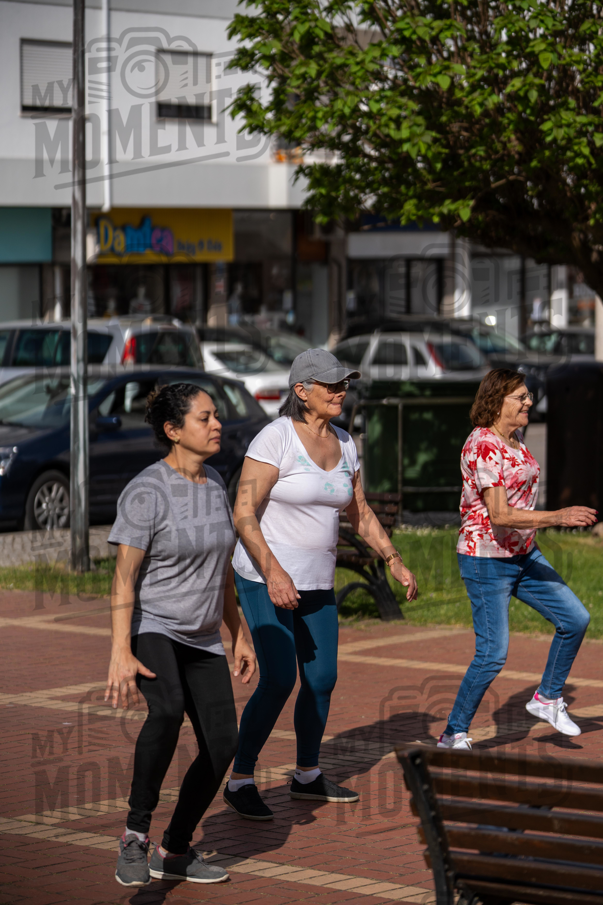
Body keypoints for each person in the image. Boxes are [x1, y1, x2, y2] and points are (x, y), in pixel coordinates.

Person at [224, 349, 418, 819]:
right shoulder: (275, 440)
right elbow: (243, 512)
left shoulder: (346, 444)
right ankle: (240, 779)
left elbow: (360, 511)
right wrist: (272, 570)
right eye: (330, 384)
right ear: (301, 391)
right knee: (278, 680)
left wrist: (392, 558)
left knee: (322, 679)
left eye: (344, 383)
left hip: (315, 583)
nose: (340, 391)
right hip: (262, 576)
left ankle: (307, 775)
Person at [105, 383, 256, 886]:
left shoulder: (215, 481)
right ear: (173, 431)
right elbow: (124, 577)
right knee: (166, 711)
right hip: (156, 626)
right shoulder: (146, 491)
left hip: (203, 634)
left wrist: (240, 634)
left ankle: (176, 847)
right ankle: (134, 835)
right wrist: (120, 651)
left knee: (223, 744)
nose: (217, 425)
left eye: (216, 417)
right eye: (205, 418)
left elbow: (224, 573)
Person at [439, 368, 596, 750]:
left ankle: (547, 698)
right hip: (486, 559)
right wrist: (557, 517)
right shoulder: (483, 445)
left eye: (528, 396)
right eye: (521, 397)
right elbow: (500, 514)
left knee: (575, 619)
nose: (529, 402)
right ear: (497, 402)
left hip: (523, 555)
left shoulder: (516, 437)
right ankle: (453, 733)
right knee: (493, 654)